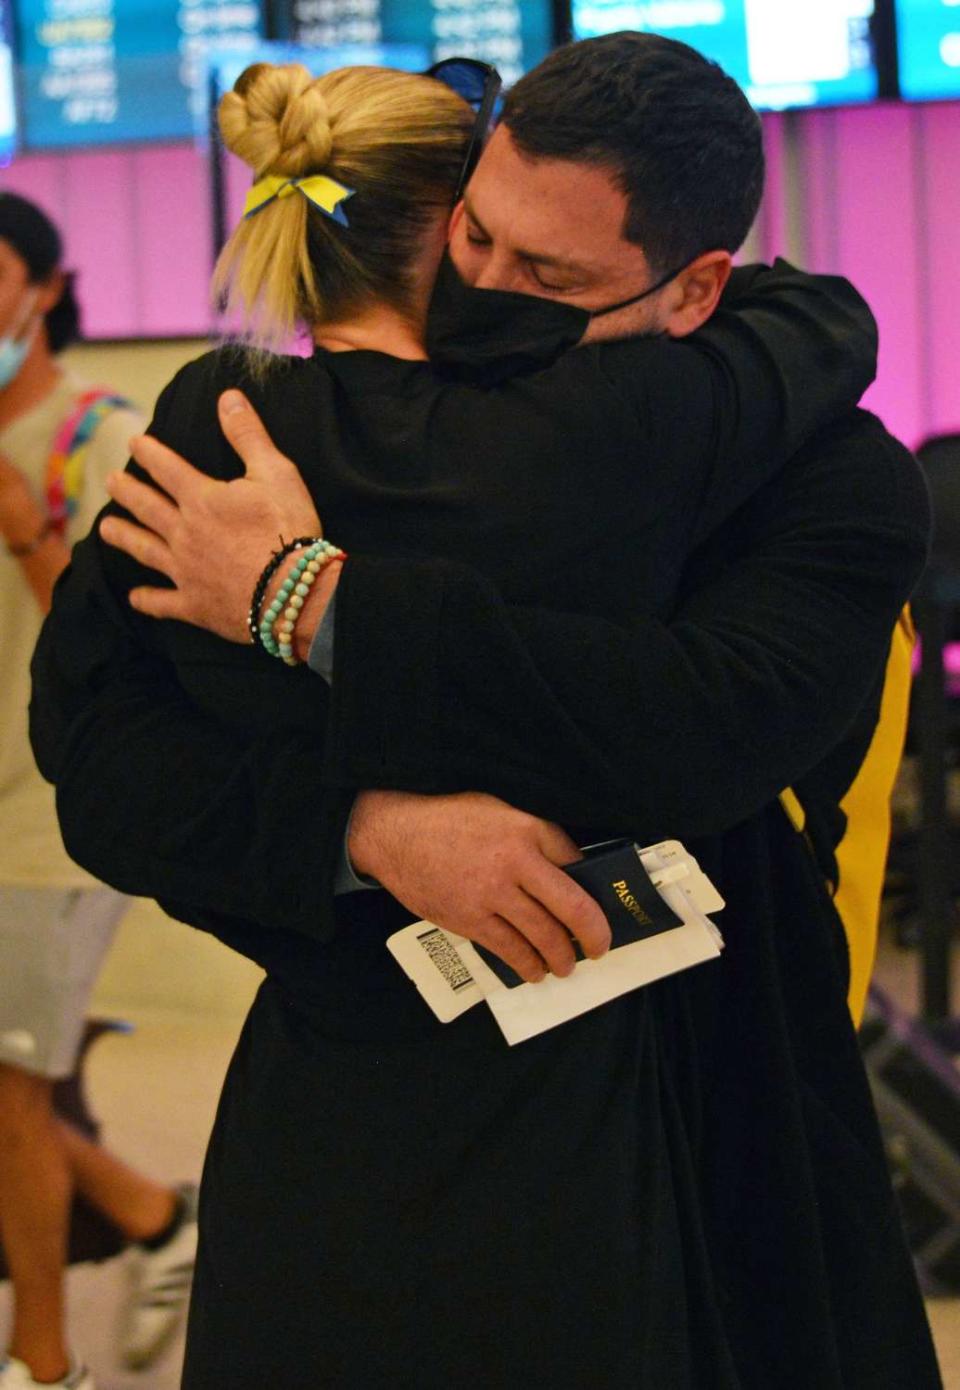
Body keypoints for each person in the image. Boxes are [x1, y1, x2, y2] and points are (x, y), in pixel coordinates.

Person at [29, 40, 939, 1390]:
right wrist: (364, 829)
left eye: (550, 277)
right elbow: (105, 762)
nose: (488, 294)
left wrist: (304, 599)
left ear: (694, 287)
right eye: (476, 240)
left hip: (712, 1101)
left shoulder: (810, 475)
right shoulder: (263, 443)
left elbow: (697, 726)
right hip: (355, 1115)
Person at [0, 194, 197, 1390]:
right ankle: (153, 1215)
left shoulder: (102, 439)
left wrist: (28, 535)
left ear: (43, 290)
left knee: (13, 1095)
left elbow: (143, 643)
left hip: (43, 820)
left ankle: (43, 1359)